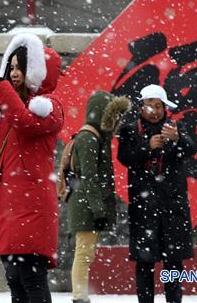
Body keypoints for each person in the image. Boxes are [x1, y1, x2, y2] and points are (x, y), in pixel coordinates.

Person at [0, 33, 65, 303]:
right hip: (7, 207)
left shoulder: (48, 106)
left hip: (33, 208)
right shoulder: (6, 108)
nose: (14, 73)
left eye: (21, 68)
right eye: (12, 66)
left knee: (31, 279)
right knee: (14, 281)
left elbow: (26, 122)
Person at [116, 84, 197, 303]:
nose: (154, 111)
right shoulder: (129, 130)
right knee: (144, 263)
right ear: (140, 107)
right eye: (149, 106)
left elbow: (192, 149)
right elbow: (124, 158)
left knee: (173, 264)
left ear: (165, 108)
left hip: (172, 206)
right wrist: (147, 146)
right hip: (143, 207)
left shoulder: (175, 126)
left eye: (158, 106)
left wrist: (176, 139)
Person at [61, 91, 131, 303]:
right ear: (102, 114)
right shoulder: (89, 139)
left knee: (85, 254)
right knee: (83, 255)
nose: (117, 120)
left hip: (86, 203)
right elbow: (90, 178)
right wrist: (99, 210)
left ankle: (80, 297)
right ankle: (79, 298)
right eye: (113, 115)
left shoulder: (94, 137)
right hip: (86, 206)